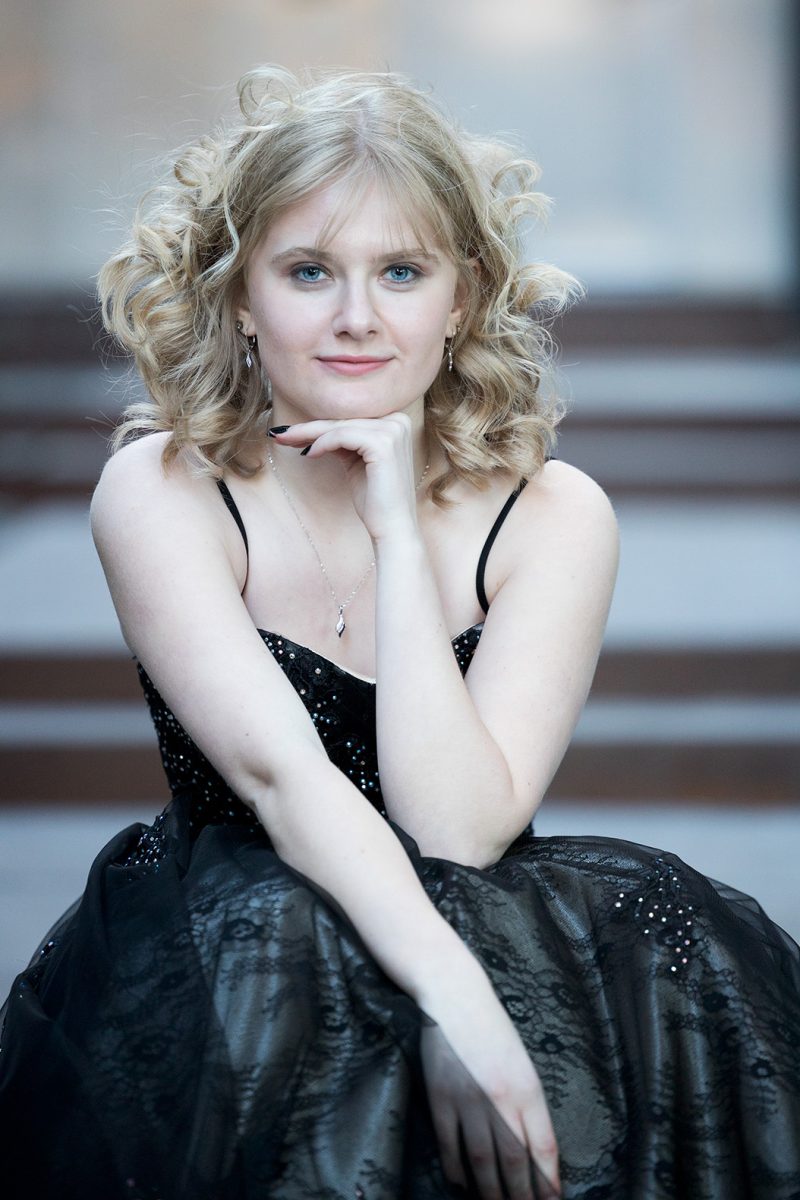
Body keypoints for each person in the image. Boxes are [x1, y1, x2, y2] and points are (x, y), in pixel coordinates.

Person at [0, 64, 798, 1200]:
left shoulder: (552, 515)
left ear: (461, 297)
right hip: (237, 940)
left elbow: (459, 827)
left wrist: (395, 530)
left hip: (487, 903)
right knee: (285, 938)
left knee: (657, 925)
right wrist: (452, 997)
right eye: (308, 271)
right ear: (239, 295)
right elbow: (284, 783)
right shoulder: (163, 491)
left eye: (401, 272)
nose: (357, 317)